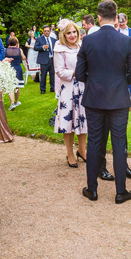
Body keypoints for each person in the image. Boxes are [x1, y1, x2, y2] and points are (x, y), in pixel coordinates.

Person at [75, 0, 131, 202]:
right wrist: (125, 82)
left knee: (94, 142)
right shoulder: (125, 41)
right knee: (119, 143)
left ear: (99, 17)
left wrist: (95, 81)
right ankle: (120, 192)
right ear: (117, 17)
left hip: (94, 98)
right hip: (119, 99)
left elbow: (79, 73)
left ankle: (92, 189)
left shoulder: (88, 40)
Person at [54, 19, 87, 167]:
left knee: (83, 119)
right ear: (63, 34)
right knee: (69, 121)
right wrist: (76, 72)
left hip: (83, 87)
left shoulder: (82, 46)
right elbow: (59, 71)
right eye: (69, 33)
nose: (73, 35)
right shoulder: (59, 48)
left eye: (75, 32)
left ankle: (82, 150)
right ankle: (70, 153)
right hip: (68, 89)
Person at [4, 36, 25, 109]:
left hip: (10, 68)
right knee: (17, 86)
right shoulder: (20, 50)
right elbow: (23, 58)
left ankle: (12, 103)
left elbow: (4, 59)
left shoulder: (6, 50)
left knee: (10, 86)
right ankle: (16, 101)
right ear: (16, 43)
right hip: (18, 68)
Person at [34, 25, 56, 94]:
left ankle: (53, 88)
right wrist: (43, 47)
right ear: (43, 31)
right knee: (43, 75)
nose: (46, 32)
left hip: (52, 59)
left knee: (52, 75)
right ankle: (43, 89)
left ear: (50, 31)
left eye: (48, 31)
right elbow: (35, 47)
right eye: (45, 31)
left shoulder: (53, 40)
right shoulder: (39, 39)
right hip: (44, 60)